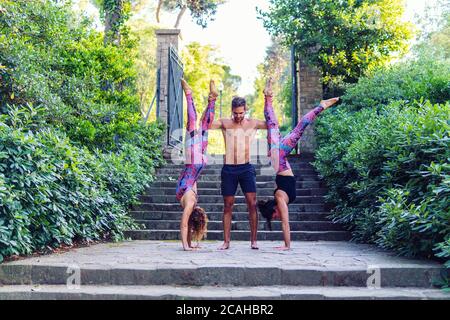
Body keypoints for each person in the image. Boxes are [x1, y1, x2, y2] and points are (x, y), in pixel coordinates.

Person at [257, 78, 339, 250]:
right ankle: (268, 97)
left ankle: (321, 106)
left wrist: (286, 246)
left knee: (298, 127)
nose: (278, 217)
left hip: (278, 156)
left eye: (274, 217)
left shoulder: (280, 199)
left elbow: (286, 224)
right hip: (278, 158)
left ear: (274, 210)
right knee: (273, 125)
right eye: (275, 219)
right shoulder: (279, 196)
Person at [210, 96, 268, 250]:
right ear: (232, 111)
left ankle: (254, 240)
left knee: (252, 204)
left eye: (241, 113)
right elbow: (205, 123)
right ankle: (226, 241)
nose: (238, 116)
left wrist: (268, 99)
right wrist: (212, 101)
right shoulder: (225, 122)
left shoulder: (253, 123)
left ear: (245, 110)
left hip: (246, 168)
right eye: (235, 113)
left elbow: (274, 124)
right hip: (229, 169)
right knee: (228, 205)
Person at [176, 79, 218, 251]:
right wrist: (189, 244)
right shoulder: (190, 200)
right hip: (194, 164)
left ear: (195, 212)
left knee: (198, 126)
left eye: (199, 213)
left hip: (196, 162)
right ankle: (203, 97)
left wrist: (186, 246)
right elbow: (187, 225)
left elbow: (184, 225)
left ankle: (197, 96)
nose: (200, 209)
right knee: (199, 126)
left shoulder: (191, 202)